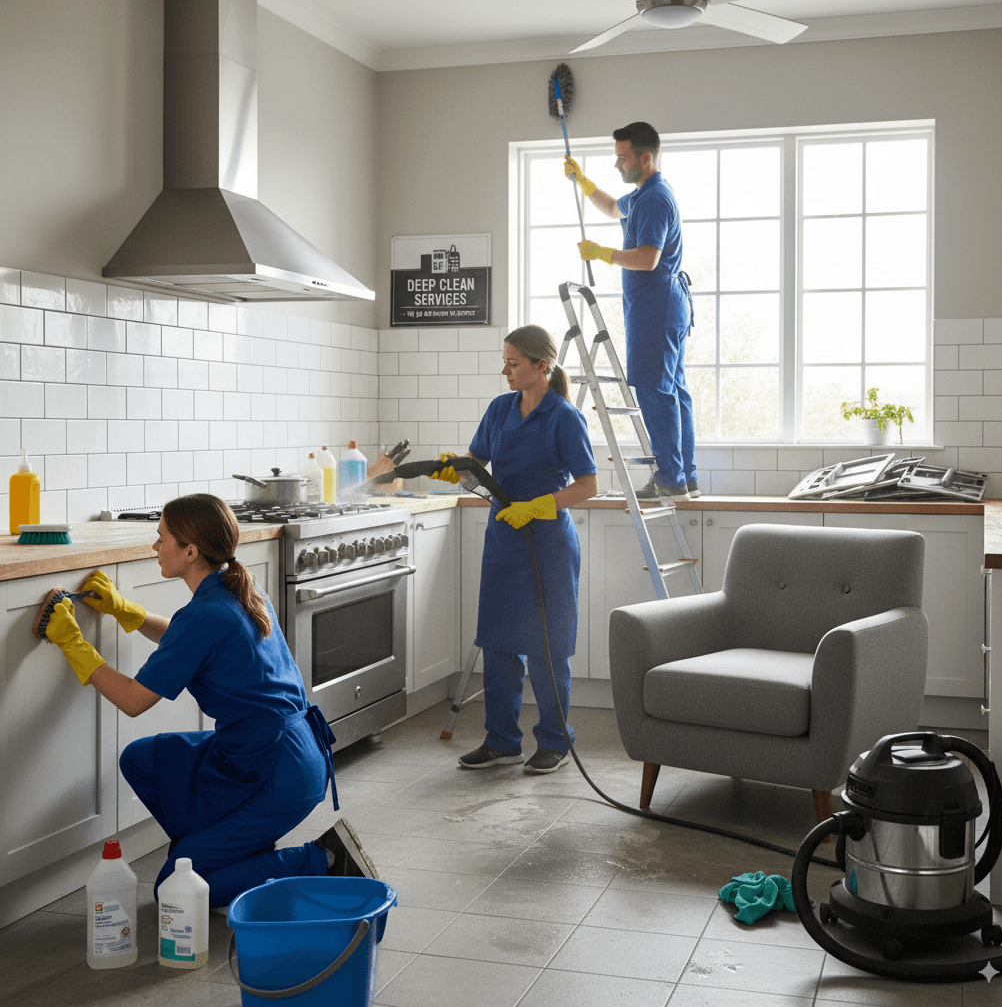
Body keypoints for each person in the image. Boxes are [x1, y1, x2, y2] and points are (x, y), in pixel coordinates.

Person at [43, 493, 368, 908]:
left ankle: (321, 858)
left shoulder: (207, 613)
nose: (154, 547)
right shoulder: (235, 590)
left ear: (190, 551)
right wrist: (127, 612)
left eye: (162, 538)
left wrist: (74, 644)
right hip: (284, 751)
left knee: (171, 891)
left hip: (275, 769)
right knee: (142, 760)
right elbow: (191, 641)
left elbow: (133, 700)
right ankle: (219, 850)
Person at [434, 325, 597, 774]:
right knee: (499, 642)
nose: (504, 371)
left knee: (547, 647)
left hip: (546, 543)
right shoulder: (500, 409)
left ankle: (556, 741)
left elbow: (588, 485)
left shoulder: (564, 417)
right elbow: (477, 465)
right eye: (504, 361)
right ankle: (502, 740)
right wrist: (457, 471)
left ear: (541, 366)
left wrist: (540, 506)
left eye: (513, 363)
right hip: (504, 539)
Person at [565, 121, 699, 502]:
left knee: (654, 389)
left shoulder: (656, 199)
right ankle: (684, 477)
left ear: (645, 158)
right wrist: (582, 181)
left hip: (656, 306)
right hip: (661, 306)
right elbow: (611, 208)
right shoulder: (642, 195)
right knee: (672, 389)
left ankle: (671, 477)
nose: (617, 165)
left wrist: (601, 253)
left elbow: (648, 259)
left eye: (622, 158)